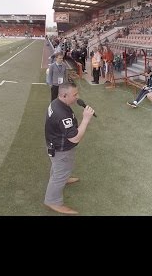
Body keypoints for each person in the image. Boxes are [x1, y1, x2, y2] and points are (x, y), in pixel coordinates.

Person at [44, 82, 95, 214]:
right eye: (75, 94)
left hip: (54, 145)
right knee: (60, 173)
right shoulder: (61, 113)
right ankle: (52, 201)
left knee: (59, 169)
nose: (78, 97)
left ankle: (64, 178)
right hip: (61, 149)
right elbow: (74, 138)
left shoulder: (57, 102)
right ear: (64, 95)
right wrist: (86, 119)